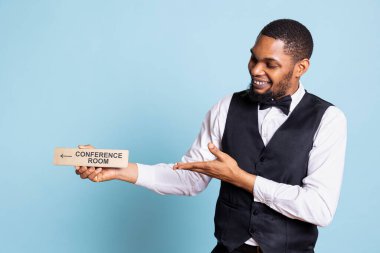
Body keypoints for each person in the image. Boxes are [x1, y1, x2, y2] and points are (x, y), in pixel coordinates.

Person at [75, 19, 347, 253]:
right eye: (254, 57)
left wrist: (242, 179)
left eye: (270, 64)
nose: (255, 70)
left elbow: (319, 208)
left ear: (300, 68)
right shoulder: (226, 107)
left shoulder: (328, 120)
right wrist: (121, 169)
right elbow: (191, 177)